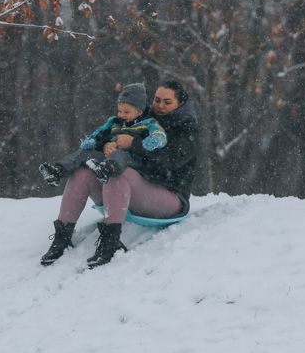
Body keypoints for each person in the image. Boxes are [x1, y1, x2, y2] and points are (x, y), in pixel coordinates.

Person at [39, 80, 198, 268]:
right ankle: (62, 239)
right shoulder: (142, 116)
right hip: (131, 188)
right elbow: (113, 133)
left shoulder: (186, 128)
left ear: (180, 103)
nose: (160, 106)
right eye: (157, 100)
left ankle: (110, 244)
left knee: (117, 172)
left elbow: (170, 161)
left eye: (167, 102)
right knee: (83, 172)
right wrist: (106, 144)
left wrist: (134, 144)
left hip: (169, 196)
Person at [39, 82, 167, 186]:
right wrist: (94, 141)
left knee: (119, 155)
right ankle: (58, 170)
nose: (121, 115)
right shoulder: (114, 122)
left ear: (139, 111)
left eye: (126, 112)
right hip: (110, 154)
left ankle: (106, 170)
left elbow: (159, 134)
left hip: (134, 158)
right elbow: (100, 132)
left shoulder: (148, 122)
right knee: (84, 153)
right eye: (120, 111)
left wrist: (153, 141)